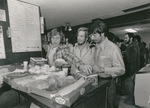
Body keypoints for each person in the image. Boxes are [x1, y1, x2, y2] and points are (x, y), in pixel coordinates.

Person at [88, 20, 125, 108]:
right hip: (97, 81)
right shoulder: (96, 46)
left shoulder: (113, 48)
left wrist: (103, 69)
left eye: (95, 35)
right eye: (91, 35)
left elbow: (121, 70)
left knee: (108, 105)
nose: (92, 38)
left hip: (108, 83)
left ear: (103, 33)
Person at [123, 33, 140, 105]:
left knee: (129, 87)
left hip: (130, 70)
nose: (124, 39)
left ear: (131, 38)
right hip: (134, 69)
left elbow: (130, 60)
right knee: (132, 87)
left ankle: (130, 101)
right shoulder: (134, 46)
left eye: (126, 38)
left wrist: (123, 57)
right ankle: (132, 100)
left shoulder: (131, 47)